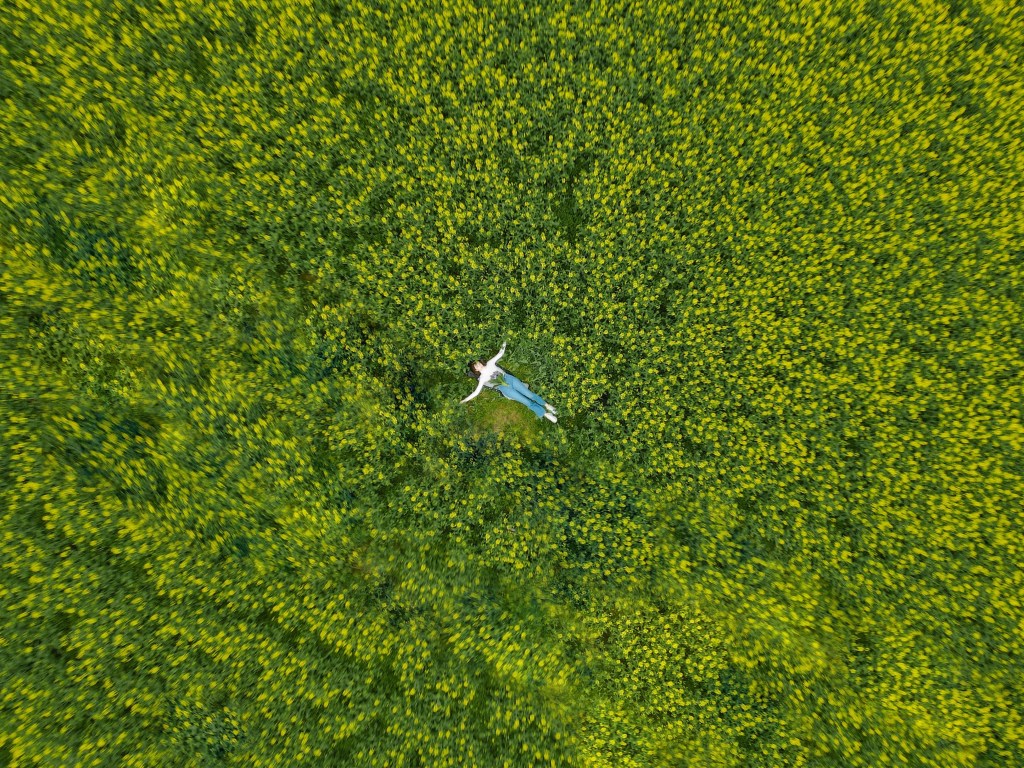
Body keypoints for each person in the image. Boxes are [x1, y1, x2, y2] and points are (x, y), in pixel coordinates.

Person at [462, 341, 558, 422]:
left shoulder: (490, 363)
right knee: (526, 402)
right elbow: (476, 392)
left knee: (529, 394)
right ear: (476, 370)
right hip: (504, 388)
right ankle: (545, 414)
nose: (478, 365)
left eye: (478, 363)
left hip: (509, 379)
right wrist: (465, 400)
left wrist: (505, 340)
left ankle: (547, 405)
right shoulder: (482, 378)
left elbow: (500, 353)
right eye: (476, 366)